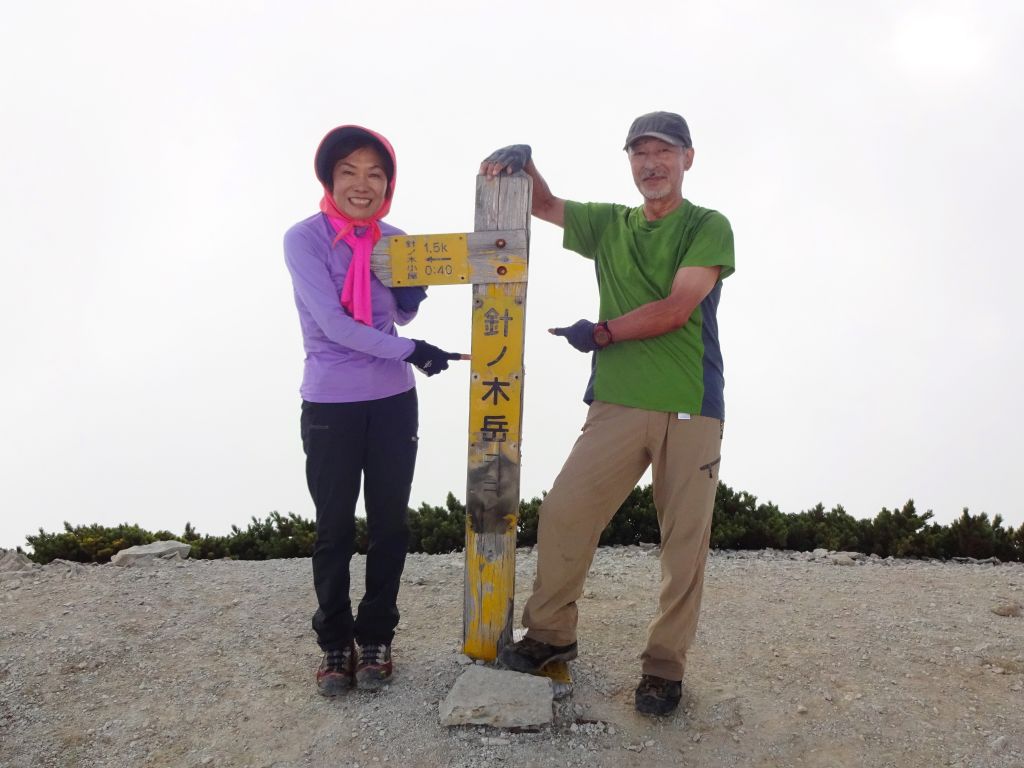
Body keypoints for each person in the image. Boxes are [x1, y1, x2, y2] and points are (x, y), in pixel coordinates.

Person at [480, 111, 735, 716]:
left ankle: (664, 669)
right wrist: (524, 159)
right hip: (616, 403)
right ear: (629, 162)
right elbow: (543, 205)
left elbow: (677, 307)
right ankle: (549, 635)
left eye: (664, 152)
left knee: (682, 545)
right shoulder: (609, 224)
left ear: (688, 159)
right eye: (639, 153)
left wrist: (602, 332)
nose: (651, 163)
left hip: (690, 404)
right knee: (567, 509)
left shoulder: (708, 225)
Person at [284, 125, 464, 696]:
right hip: (331, 403)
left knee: (390, 526)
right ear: (329, 179)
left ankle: (378, 635)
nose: (363, 185)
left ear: (388, 183)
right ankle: (335, 643)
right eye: (349, 172)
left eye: (375, 174)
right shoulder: (305, 240)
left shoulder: (396, 239)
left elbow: (397, 318)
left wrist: (412, 301)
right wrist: (413, 350)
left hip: (392, 402)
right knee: (333, 529)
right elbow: (336, 328)